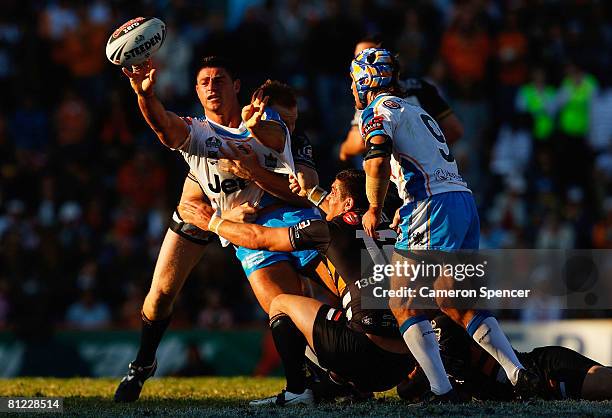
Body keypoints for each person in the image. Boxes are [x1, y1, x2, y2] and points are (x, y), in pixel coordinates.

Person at [114, 56, 319, 403]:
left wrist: (254, 129)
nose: (212, 86)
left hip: (253, 217)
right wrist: (144, 95)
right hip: (200, 210)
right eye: (205, 81)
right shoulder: (197, 132)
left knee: (288, 298)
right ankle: (143, 363)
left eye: (220, 79)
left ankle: (317, 373)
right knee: (160, 294)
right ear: (196, 90)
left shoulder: (267, 123)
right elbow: (164, 127)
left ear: (236, 86)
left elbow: (278, 139)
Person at [351, 47, 541, 402]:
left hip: (433, 204)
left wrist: (374, 206)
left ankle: (442, 390)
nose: (351, 88)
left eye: (352, 80)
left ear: (364, 80)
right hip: (460, 200)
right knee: (452, 299)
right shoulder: (417, 109)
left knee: (402, 300)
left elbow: (375, 159)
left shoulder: (377, 111)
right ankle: (517, 373)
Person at [178, 169, 416, 404]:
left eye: (333, 192)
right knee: (359, 314)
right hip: (401, 363)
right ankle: (347, 385)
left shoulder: (329, 230)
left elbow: (258, 238)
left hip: (361, 352)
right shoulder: (396, 230)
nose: (327, 198)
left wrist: (211, 222)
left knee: (280, 302)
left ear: (348, 204)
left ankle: (297, 391)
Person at [398, 313, 612, 402]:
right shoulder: (433, 376)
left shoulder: (442, 330)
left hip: (543, 370)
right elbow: (405, 389)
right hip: (532, 384)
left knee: (605, 383)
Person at [339, 35, 463, 163]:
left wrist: (343, 150)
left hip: (401, 175)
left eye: (369, 57)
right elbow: (454, 129)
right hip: (434, 169)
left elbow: (359, 142)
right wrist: (428, 151)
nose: (359, 64)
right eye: (357, 57)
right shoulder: (421, 87)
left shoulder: (370, 100)